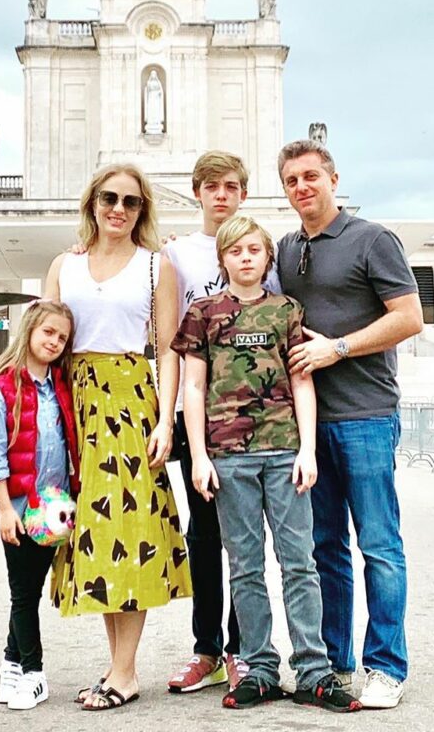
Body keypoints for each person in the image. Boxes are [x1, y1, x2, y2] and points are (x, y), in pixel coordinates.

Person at [173, 215, 361, 713]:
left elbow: (303, 382)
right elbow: (193, 386)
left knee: (299, 564)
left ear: (267, 257)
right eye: (237, 251)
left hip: (283, 455)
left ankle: (313, 670)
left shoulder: (286, 312)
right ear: (224, 259)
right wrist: (197, 455)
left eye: (256, 250)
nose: (247, 258)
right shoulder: (203, 313)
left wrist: (307, 450)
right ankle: (258, 666)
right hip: (228, 457)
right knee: (246, 567)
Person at [276, 140, 423, 710]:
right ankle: (334, 664)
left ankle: (386, 666)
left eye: (311, 176)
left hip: (365, 415)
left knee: (379, 545)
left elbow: (408, 318)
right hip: (309, 425)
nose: (302, 187)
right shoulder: (286, 250)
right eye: (291, 180)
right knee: (324, 549)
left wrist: (338, 349)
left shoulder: (372, 239)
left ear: (334, 178)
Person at [43, 163, 191, 711]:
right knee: (97, 537)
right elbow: (43, 338)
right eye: (110, 198)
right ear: (93, 202)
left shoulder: (157, 267)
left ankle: (125, 672)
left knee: (130, 530)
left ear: (142, 211)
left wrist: (166, 419)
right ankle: (116, 665)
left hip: (130, 402)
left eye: (131, 202)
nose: (118, 209)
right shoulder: (65, 266)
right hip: (75, 403)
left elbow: (170, 346)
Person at [163, 151, 251, 694]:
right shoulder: (174, 253)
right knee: (204, 534)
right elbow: (167, 336)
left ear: (243, 193)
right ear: (197, 192)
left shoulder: (262, 247)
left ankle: (244, 650)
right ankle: (206, 650)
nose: (221, 195)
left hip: (253, 418)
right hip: (197, 417)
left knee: (245, 538)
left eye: (232, 186)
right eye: (212, 186)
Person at [0, 300, 80, 712]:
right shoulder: (2, 388)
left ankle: (10, 663)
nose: (54, 341)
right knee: (21, 592)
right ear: (30, 330)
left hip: (53, 508)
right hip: (16, 505)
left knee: (31, 590)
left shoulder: (60, 387)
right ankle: (34, 673)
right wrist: (3, 509)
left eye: (62, 337)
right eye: (48, 332)